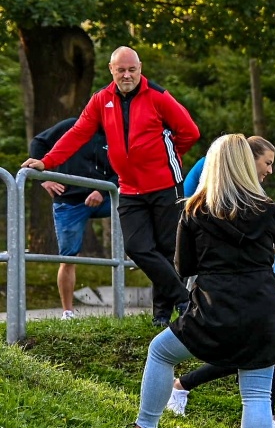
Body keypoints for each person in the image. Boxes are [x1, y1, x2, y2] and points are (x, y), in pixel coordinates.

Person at [132, 134, 275, 428]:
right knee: (256, 393)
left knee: (160, 351)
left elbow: (183, 266)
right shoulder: (266, 208)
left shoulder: (195, 209)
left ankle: (145, 427)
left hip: (212, 308)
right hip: (262, 309)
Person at [23, 47, 201, 326]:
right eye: (121, 70)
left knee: (167, 249)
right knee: (137, 247)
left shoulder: (158, 96)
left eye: (132, 69)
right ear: (111, 70)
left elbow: (190, 132)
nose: (127, 75)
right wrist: (47, 162)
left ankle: (161, 315)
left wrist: (167, 157)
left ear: (140, 69)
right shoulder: (101, 100)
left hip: (166, 183)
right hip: (129, 188)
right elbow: (77, 133)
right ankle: (184, 299)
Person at [165, 137, 275, 428]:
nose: (270, 170)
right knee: (255, 353)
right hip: (240, 295)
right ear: (246, 161)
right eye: (267, 163)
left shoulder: (240, 204)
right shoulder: (250, 205)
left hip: (241, 293)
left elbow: (184, 265)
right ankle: (170, 400)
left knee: (263, 350)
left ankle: (165, 405)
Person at [28, 118, 115, 318]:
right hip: (69, 200)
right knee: (67, 257)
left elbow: (125, 168)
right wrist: (45, 178)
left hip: (105, 196)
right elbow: (38, 143)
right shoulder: (71, 125)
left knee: (135, 202)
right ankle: (68, 312)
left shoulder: (118, 131)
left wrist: (102, 192)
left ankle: (137, 254)